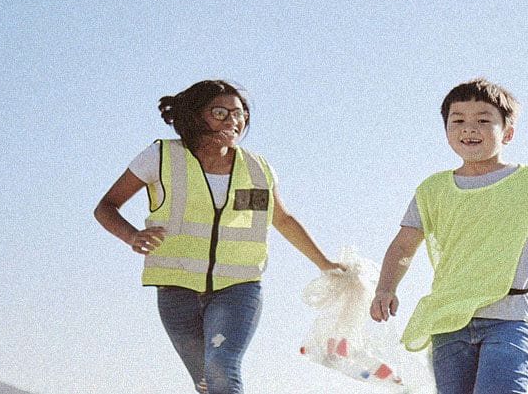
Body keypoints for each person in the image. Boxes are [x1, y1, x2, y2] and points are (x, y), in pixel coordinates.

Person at [369, 78, 528, 394]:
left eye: (483, 120)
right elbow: (403, 245)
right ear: (446, 130)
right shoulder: (431, 189)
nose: (469, 129)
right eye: (458, 120)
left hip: (511, 316)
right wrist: (385, 288)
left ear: (507, 132)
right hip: (449, 318)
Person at [94, 80, 342, 393]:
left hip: (237, 288)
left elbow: (283, 219)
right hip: (176, 287)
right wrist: (131, 236)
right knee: (205, 381)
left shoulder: (257, 168)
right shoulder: (160, 157)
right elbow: (106, 207)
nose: (232, 121)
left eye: (239, 114)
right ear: (196, 116)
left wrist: (325, 263)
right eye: (220, 112)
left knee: (222, 366)